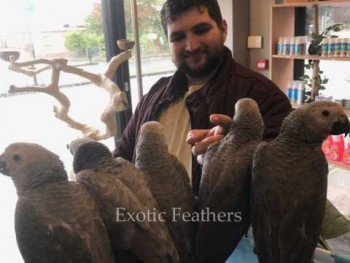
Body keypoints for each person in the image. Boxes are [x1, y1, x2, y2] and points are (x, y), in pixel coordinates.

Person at [113, 0, 292, 196]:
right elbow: (121, 156)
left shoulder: (265, 97)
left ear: (223, 29)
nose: (191, 46)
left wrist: (241, 151)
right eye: (178, 37)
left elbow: (286, 180)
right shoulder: (154, 94)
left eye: (201, 30)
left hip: (219, 223)